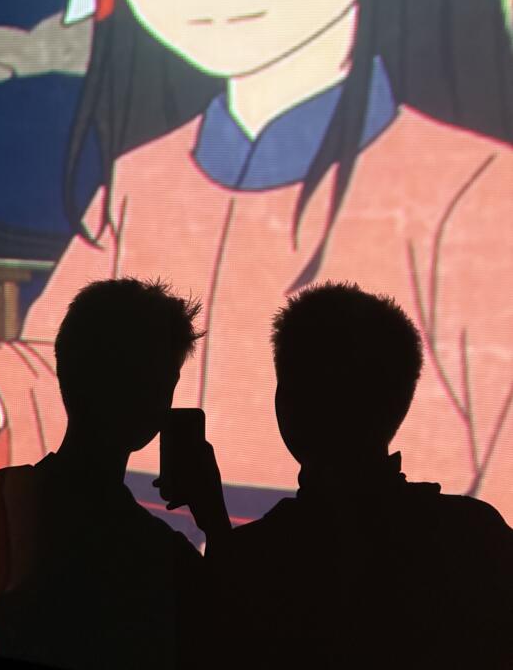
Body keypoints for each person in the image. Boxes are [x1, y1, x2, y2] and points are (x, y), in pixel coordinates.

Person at [0, 0, 512, 545]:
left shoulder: (471, 186)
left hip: (365, 562)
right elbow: (55, 365)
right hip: (135, 560)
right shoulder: (141, 178)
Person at [210, 281, 513, 669]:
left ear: (286, 404)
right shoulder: (479, 538)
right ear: (400, 403)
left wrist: (217, 535)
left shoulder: (256, 564)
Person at [0, 278, 227, 669]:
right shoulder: (161, 556)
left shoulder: (4, 496)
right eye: (165, 381)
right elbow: (227, 626)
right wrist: (214, 520)